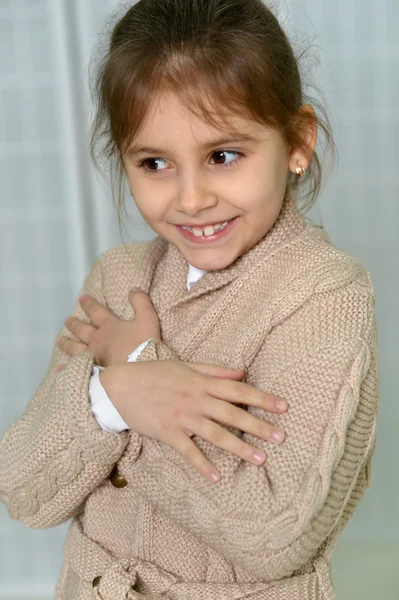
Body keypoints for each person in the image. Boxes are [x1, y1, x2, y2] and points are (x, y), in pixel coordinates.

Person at [0, 1, 379, 598]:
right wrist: (112, 394)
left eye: (223, 155)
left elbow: (275, 534)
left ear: (297, 142)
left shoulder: (323, 296)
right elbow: (25, 489)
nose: (192, 198)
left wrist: (138, 369)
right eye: (155, 163)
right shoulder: (117, 281)